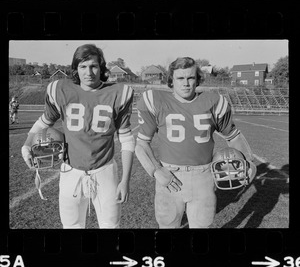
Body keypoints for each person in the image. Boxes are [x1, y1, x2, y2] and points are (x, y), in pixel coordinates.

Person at [21, 44, 135, 228]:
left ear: (102, 67)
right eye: (83, 66)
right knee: (71, 227)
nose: (88, 72)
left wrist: (125, 180)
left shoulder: (117, 93)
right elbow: (44, 121)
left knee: (110, 227)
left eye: (93, 66)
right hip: (70, 172)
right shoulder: (61, 89)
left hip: (104, 171)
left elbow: (127, 140)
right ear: (75, 69)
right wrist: (26, 145)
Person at [135, 57, 256, 228]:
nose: (186, 83)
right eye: (180, 78)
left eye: (190, 78)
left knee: (202, 227)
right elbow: (141, 144)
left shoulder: (214, 102)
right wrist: (156, 171)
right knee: (167, 226)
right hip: (169, 175)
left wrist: (248, 161)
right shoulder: (156, 101)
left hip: (204, 176)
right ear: (171, 80)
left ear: (197, 79)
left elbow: (233, 136)